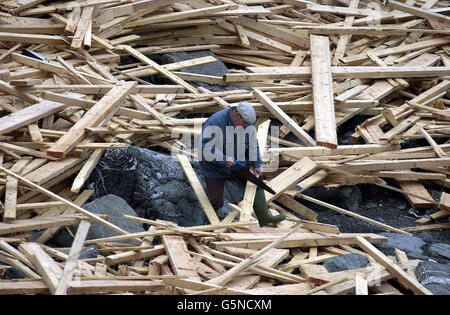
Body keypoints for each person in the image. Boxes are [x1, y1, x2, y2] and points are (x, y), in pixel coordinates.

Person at [198, 101, 285, 227]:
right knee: (215, 201)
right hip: (214, 167)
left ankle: (264, 217)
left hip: (237, 162)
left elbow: (253, 144)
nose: (246, 127)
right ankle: (213, 225)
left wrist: (257, 164)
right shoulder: (215, 122)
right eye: (244, 123)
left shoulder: (246, 124)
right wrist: (223, 159)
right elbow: (204, 148)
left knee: (256, 180)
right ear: (237, 115)